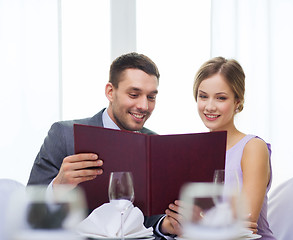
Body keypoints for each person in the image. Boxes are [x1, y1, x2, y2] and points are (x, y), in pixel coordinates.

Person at [27, 52, 169, 236]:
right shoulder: (64, 135)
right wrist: (58, 187)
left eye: (151, 97)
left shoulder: (155, 144)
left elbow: (153, 219)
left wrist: (165, 225)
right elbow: (27, 212)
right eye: (134, 94)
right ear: (110, 92)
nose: (144, 106)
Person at [161, 57, 276, 239]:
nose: (209, 107)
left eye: (221, 98)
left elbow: (246, 225)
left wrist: (197, 220)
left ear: (237, 101)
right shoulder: (194, 151)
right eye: (203, 96)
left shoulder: (253, 147)